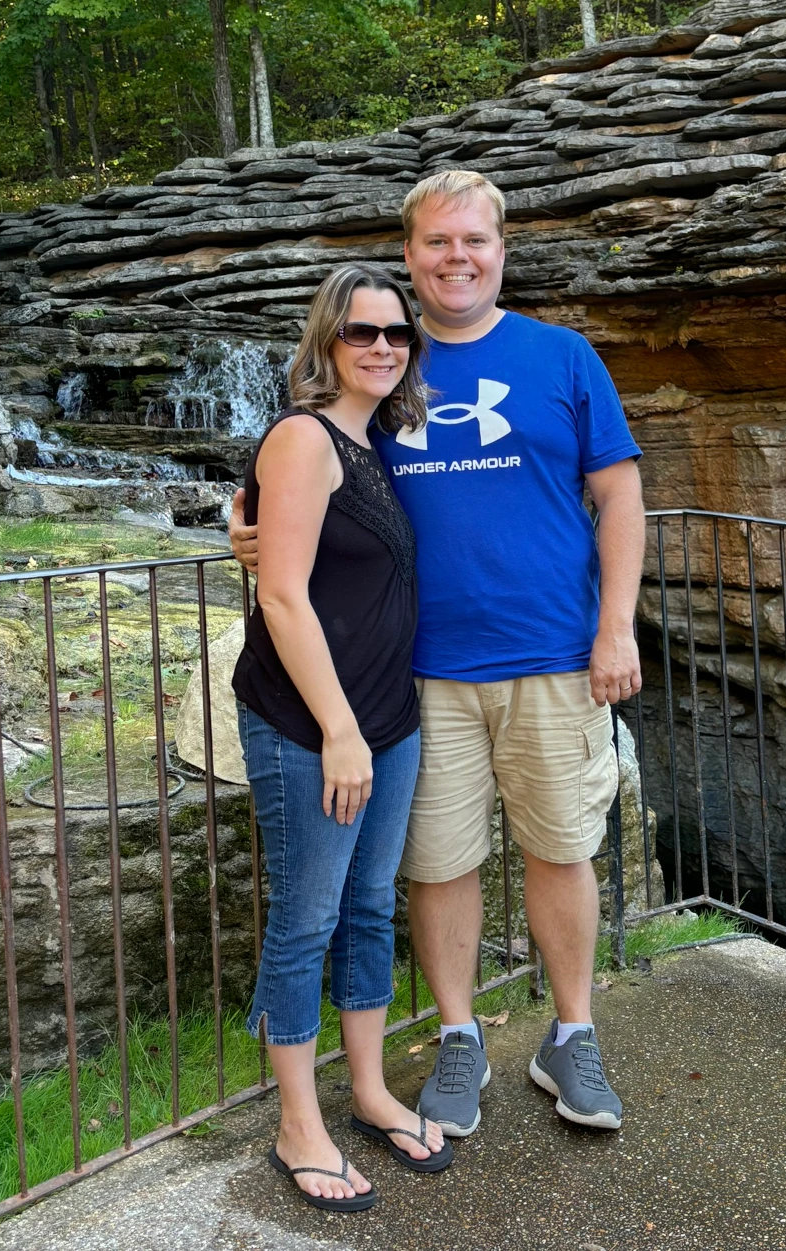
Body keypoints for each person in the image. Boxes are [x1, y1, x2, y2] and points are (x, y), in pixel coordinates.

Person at [230, 170, 645, 1139]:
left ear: (501, 250)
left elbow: (619, 495)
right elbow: (304, 478)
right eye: (436, 243)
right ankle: (458, 1038)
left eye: (475, 241)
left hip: (554, 654)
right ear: (409, 254)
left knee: (562, 848)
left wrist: (616, 626)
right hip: (417, 675)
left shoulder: (563, 356)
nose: (457, 258)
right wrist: (241, 532)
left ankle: (571, 1033)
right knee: (439, 864)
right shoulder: (386, 376)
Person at [232, 261, 452, 1214]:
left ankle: (364, 1090)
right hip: (311, 724)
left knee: (369, 908)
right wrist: (339, 730)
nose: (381, 347)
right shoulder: (303, 437)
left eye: (396, 334)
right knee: (308, 916)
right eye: (361, 333)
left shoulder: (375, 444)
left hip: (387, 717)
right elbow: (280, 591)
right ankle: (297, 1123)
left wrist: (372, 727)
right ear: (326, 341)